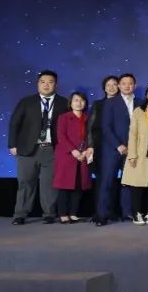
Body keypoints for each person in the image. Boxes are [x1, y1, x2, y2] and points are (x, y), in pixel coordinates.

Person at [8, 70, 70, 225]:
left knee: (49, 184)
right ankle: (20, 214)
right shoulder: (26, 102)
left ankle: (49, 213)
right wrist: (12, 144)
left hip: (52, 149)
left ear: (56, 85)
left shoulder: (64, 103)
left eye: (50, 82)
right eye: (43, 82)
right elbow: (15, 123)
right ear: (38, 84)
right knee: (25, 182)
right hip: (28, 149)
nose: (46, 85)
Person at [96, 73, 138, 226]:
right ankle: (102, 215)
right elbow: (106, 127)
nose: (127, 86)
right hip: (112, 149)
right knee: (107, 182)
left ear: (134, 86)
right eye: (124, 83)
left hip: (133, 149)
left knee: (128, 182)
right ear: (119, 85)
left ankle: (127, 212)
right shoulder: (110, 103)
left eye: (130, 83)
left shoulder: (140, 103)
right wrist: (118, 145)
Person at [122, 82, 148, 225]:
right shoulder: (139, 111)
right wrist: (132, 155)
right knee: (137, 185)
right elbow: (133, 134)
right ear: (146, 94)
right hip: (140, 154)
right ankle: (137, 213)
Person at [85, 75, 120, 221]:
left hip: (120, 147)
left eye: (114, 84)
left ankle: (112, 211)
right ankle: (100, 213)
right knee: (102, 181)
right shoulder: (98, 104)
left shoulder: (124, 104)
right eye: (108, 85)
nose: (111, 87)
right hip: (101, 147)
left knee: (115, 182)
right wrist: (91, 145)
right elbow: (90, 126)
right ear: (104, 88)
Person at [53, 91, 92, 223]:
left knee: (79, 185)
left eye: (81, 100)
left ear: (85, 103)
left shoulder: (88, 118)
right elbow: (61, 136)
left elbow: (91, 136)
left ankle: (73, 213)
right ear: (71, 103)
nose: (79, 103)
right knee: (65, 185)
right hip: (66, 155)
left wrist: (86, 151)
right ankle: (63, 213)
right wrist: (73, 151)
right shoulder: (64, 117)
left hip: (83, 155)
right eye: (76, 100)